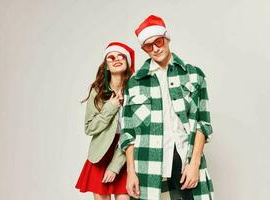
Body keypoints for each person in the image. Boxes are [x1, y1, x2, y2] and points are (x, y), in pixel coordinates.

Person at [120, 15, 214, 199]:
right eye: (148, 46)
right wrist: (131, 172)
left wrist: (194, 164)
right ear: (144, 49)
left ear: (167, 39)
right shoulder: (134, 83)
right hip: (148, 162)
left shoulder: (194, 75)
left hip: (184, 155)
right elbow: (128, 132)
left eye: (158, 41)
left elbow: (203, 123)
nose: (155, 48)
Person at [75, 42, 135, 200]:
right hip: (100, 154)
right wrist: (110, 107)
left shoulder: (135, 92)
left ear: (127, 63)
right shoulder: (98, 91)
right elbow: (89, 128)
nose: (117, 59)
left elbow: (136, 132)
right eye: (111, 57)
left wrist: (116, 166)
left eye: (121, 56)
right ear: (106, 66)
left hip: (126, 151)